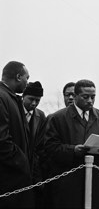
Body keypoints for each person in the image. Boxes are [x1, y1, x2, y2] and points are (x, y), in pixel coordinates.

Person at [45, 79, 99, 209]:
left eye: (93, 97)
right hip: (67, 183)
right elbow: (49, 148)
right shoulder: (57, 118)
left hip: (95, 181)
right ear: (75, 96)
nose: (90, 101)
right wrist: (73, 150)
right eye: (85, 97)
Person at [0, 61, 34, 208]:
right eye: (27, 77)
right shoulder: (2, 97)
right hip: (8, 178)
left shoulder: (10, 97)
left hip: (14, 177)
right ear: (18, 76)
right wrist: (22, 161)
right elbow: (2, 140)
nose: (28, 82)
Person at [22, 81, 47, 208]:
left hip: (33, 169)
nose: (34, 103)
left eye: (37, 100)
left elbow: (40, 147)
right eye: (31, 99)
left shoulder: (41, 116)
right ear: (23, 96)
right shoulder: (14, 111)